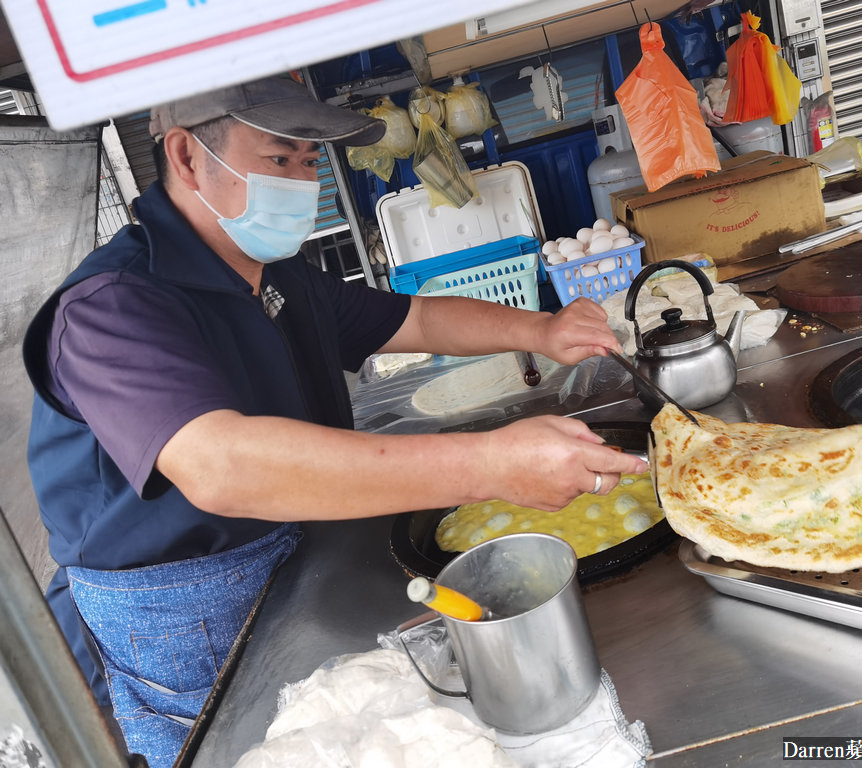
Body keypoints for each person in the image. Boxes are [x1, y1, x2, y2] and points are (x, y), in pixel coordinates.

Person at [22, 75, 646, 767]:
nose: (301, 181)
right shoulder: (113, 307)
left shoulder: (276, 272)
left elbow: (416, 316)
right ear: (188, 155)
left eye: (310, 160)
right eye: (279, 158)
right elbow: (220, 465)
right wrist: (492, 464)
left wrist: (542, 328)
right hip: (183, 612)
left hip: (294, 548)